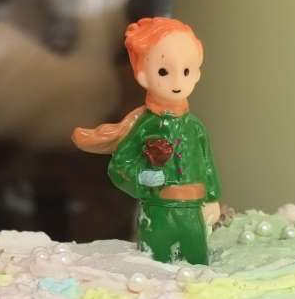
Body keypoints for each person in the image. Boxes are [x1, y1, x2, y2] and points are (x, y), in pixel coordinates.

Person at [72, 17, 221, 264]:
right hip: (158, 211)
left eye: (186, 71)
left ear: (196, 74)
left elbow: (207, 164)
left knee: (197, 264)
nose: (177, 82)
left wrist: (212, 198)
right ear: (143, 76)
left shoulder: (195, 127)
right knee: (155, 264)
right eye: (164, 72)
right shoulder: (144, 127)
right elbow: (120, 165)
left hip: (192, 212)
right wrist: (143, 178)